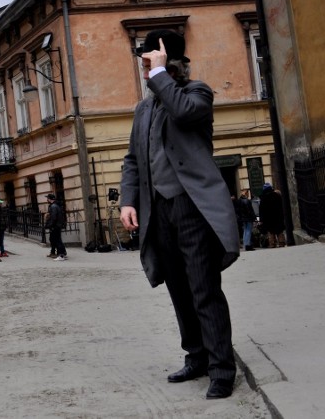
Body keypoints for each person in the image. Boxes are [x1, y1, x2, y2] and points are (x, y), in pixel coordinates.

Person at [120, 29, 240, 400]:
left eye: (147, 63)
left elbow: (185, 113)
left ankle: (222, 369)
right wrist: (128, 200)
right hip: (157, 210)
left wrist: (159, 74)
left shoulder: (196, 93)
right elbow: (132, 160)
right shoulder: (143, 109)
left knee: (203, 288)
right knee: (178, 290)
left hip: (192, 207)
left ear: (165, 61)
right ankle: (197, 357)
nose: (143, 71)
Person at [258, 183, 285, 248]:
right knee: (279, 231)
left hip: (268, 218)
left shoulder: (263, 198)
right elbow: (281, 207)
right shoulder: (277, 195)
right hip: (277, 216)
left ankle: (272, 243)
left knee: (271, 232)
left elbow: (261, 210)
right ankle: (281, 243)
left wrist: (261, 219)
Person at [45, 194, 67, 261]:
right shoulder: (55, 205)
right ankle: (57, 253)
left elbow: (53, 217)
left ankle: (61, 255)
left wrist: (50, 225)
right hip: (57, 225)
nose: (47, 200)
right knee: (54, 239)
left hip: (55, 226)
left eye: (47, 198)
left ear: (50, 199)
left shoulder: (54, 206)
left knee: (57, 240)